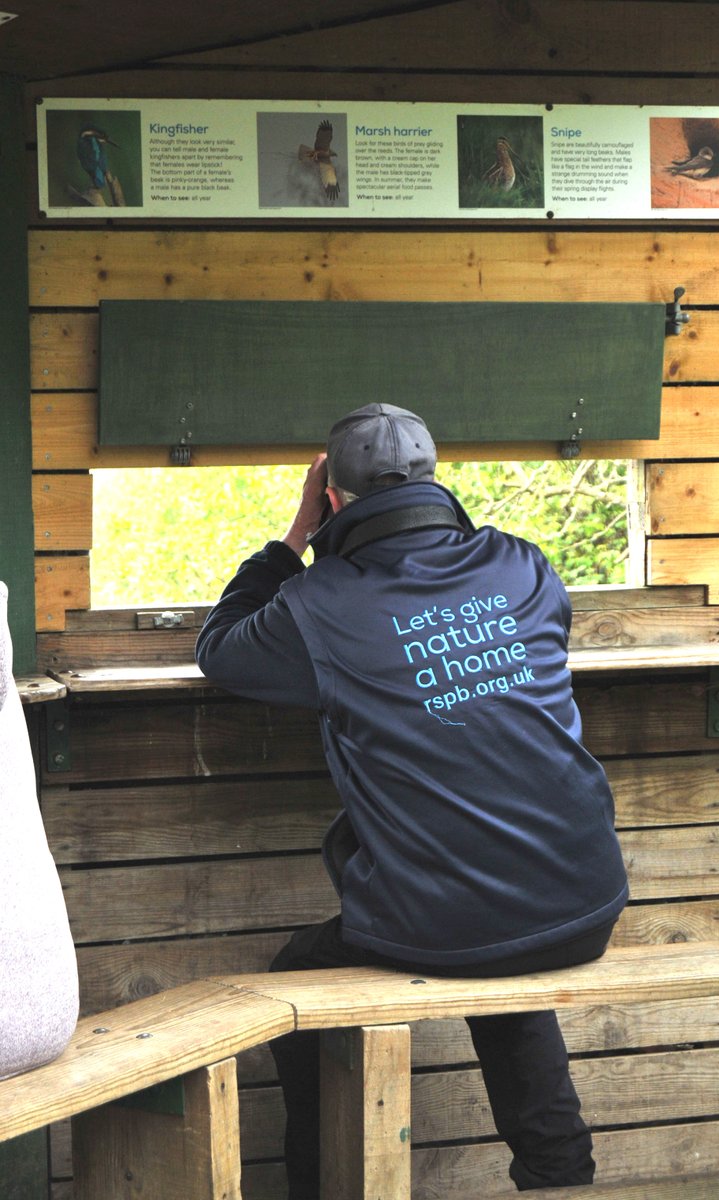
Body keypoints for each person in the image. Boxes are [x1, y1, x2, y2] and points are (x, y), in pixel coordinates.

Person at [196, 403, 629, 1197]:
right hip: (585, 896)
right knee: (502, 951)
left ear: (331, 495)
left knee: (306, 975)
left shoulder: (319, 603)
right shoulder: (523, 562)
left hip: (457, 918)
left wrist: (290, 541)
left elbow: (220, 651)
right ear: (436, 476)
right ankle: (561, 1174)